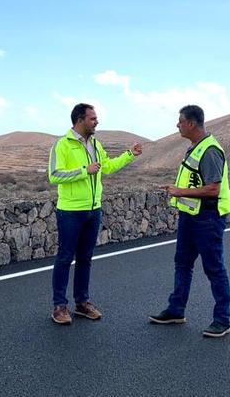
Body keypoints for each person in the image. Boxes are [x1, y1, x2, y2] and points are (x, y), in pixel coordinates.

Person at [48, 103, 142, 325]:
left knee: (85, 259)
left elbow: (106, 167)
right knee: (64, 258)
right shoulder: (62, 145)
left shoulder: (96, 144)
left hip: (93, 210)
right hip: (70, 211)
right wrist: (83, 171)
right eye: (92, 118)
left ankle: (82, 303)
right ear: (80, 120)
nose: (96, 121)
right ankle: (59, 307)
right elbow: (54, 175)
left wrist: (129, 154)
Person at [149, 104, 230, 338]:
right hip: (190, 216)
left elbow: (213, 189)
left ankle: (222, 320)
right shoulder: (194, 148)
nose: (177, 125)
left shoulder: (209, 150)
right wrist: (179, 192)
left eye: (180, 121)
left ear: (192, 123)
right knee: (182, 263)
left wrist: (179, 192)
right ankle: (176, 310)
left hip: (208, 217)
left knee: (214, 268)